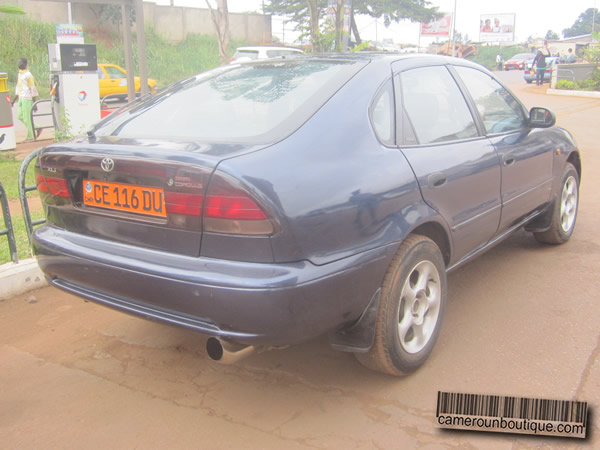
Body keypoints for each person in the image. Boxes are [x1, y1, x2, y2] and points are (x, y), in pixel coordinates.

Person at [11, 57, 39, 142]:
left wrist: (35, 103)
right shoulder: (20, 74)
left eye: (21, 63)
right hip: (20, 98)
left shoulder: (28, 75)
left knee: (27, 118)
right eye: (18, 63)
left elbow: (32, 88)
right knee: (20, 116)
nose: (19, 64)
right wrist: (14, 100)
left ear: (25, 64)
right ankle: (37, 127)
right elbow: (18, 87)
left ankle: (31, 135)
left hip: (27, 98)